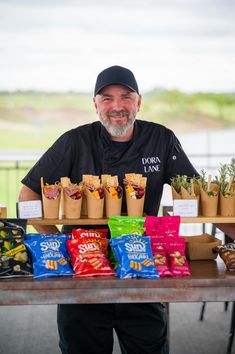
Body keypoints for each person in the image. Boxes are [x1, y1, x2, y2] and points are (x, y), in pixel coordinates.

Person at [19, 65, 198, 354]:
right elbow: (28, 194)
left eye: (126, 97)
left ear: (139, 102)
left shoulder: (161, 139)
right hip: (84, 278)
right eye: (107, 98)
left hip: (141, 273)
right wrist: (62, 247)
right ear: (95, 105)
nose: (117, 106)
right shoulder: (74, 141)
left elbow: (196, 196)